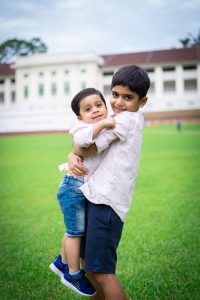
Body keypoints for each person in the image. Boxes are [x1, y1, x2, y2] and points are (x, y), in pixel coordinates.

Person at [68, 65, 150, 300]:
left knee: (101, 271)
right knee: (90, 265)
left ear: (142, 101)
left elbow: (83, 146)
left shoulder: (123, 122)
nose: (118, 102)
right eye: (115, 95)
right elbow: (84, 151)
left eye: (128, 97)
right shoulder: (120, 119)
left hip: (107, 202)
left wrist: (73, 152)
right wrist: (72, 156)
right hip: (99, 197)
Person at [50, 88, 115, 297]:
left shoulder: (105, 127)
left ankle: (61, 262)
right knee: (75, 232)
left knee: (74, 228)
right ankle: (73, 273)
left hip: (79, 187)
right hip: (73, 187)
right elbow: (83, 140)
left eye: (99, 105)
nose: (95, 111)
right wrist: (104, 123)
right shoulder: (81, 129)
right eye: (88, 109)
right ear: (80, 117)